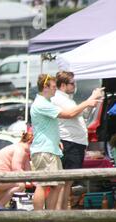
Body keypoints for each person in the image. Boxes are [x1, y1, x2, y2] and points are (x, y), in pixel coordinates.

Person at [30, 74, 102, 214]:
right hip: (44, 150)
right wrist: (88, 102)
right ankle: (38, 218)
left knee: (56, 185)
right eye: (52, 87)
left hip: (51, 149)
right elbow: (69, 114)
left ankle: (50, 218)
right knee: (43, 185)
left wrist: (57, 142)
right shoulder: (42, 104)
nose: (55, 90)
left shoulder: (47, 102)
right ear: (45, 87)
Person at [51, 71, 96, 210]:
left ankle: (64, 213)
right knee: (64, 182)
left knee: (68, 182)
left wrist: (91, 101)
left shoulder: (68, 99)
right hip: (69, 142)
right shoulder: (59, 98)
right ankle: (60, 213)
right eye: (72, 83)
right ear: (63, 85)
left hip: (75, 143)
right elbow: (71, 113)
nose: (74, 86)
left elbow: (81, 114)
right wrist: (89, 100)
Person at [0, 132, 33, 207]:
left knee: (18, 185)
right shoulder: (20, 150)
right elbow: (16, 169)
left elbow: (29, 172)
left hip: (0, 178)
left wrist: (35, 181)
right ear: (30, 142)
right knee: (20, 185)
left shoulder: (24, 152)